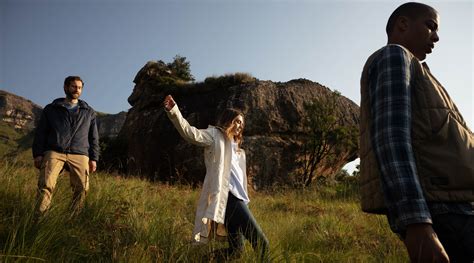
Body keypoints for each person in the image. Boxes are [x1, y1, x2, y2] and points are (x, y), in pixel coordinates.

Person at [359, 2, 474, 262]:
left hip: (454, 204)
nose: (436, 36)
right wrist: (416, 221)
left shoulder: (421, 72)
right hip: (441, 210)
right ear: (403, 24)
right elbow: (391, 137)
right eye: (430, 26)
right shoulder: (394, 56)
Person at [163, 94, 269, 260]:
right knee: (263, 244)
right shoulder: (214, 136)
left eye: (242, 123)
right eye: (237, 121)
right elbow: (190, 133)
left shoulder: (240, 152)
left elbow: (239, 181)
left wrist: (246, 202)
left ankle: (201, 260)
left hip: (239, 201)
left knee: (236, 251)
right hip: (228, 199)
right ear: (228, 121)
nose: (240, 125)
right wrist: (174, 111)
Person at [32, 76, 100, 217]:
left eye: (80, 87)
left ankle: (73, 219)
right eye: (74, 86)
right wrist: (38, 154)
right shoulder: (51, 109)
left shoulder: (89, 112)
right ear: (65, 87)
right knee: (45, 185)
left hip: (80, 153)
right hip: (54, 151)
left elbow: (93, 137)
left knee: (82, 188)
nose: (77, 90)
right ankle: (39, 218)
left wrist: (94, 158)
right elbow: (41, 133)